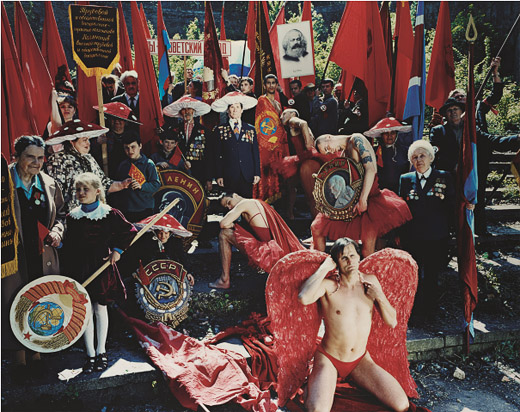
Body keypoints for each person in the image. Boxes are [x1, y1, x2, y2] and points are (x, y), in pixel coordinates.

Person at [298, 238, 410, 412]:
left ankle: (344, 380)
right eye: (344, 258)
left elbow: (392, 321)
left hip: (360, 360)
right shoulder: (330, 286)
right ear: (336, 263)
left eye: (352, 255)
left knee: (402, 405)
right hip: (329, 358)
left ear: (359, 257)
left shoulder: (370, 282)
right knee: (317, 410)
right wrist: (324, 268)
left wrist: (379, 296)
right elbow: (303, 297)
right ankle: (314, 384)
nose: (350, 261)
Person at [2, 136, 65, 383]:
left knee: (40, 300)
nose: (37, 163)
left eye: (40, 158)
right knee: (13, 301)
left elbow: (61, 215)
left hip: (42, 255)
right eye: (30, 157)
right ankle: (18, 359)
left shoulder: (49, 183)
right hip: (13, 256)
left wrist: (58, 231)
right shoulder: (3, 182)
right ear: (16, 156)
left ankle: (37, 353)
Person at [64, 172, 136, 373]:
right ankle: (90, 354)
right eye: (78, 189)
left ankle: (101, 351)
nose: (81, 193)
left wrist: (117, 251)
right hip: (80, 268)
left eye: (85, 189)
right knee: (85, 309)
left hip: (101, 267)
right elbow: (70, 245)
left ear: (97, 191)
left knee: (99, 307)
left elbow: (129, 231)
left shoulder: (109, 213)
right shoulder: (73, 216)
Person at [312, 134, 412, 256]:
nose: (330, 151)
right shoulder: (344, 154)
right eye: (327, 152)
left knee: (367, 250)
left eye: (327, 148)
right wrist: (331, 208)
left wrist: (363, 199)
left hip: (370, 201)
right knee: (317, 227)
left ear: (328, 137)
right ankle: (319, 263)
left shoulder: (356, 139)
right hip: (353, 203)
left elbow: (371, 169)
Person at [399, 141, 455, 318]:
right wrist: (401, 235)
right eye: (414, 157)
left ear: (431, 157)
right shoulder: (405, 179)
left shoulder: (444, 177)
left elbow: (451, 206)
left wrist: (450, 232)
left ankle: (430, 310)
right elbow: (401, 209)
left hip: (436, 236)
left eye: (422, 155)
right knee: (413, 274)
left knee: (432, 274)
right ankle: (413, 310)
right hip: (413, 237)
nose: (419, 160)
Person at [209, 192, 304, 289]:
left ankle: (224, 280)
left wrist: (232, 225)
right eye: (227, 207)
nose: (229, 207)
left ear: (235, 195)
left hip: (269, 255)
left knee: (224, 234)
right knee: (232, 232)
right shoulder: (256, 202)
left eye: (229, 202)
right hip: (274, 251)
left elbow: (223, 223)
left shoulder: (244, 203)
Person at [45, 120, 132, 213]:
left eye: (88, 139)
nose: (88, 143)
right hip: (72, 214)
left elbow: (103, 184)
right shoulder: (58, 159)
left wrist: (122, 184)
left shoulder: (89, 158)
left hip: (95, 212)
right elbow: (55, 193)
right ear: (72, 142)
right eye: (84, 140)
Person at [430, 97, 519, 177]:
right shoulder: (438, 131)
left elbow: (491, 141)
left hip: (470, 176)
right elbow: (435, 154)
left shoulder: (471, 130)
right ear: (445, 114)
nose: (453, 112)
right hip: (447, 176)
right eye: (449, 110)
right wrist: (453, 166)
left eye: (455, 109)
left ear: (461, 111)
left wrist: (516, 138)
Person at [211, 91, 260, 198]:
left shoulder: (250, 129)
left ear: (242, 110)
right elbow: (217, 155)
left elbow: (255, 153)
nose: (235, 110)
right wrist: (219, 175)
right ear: (228, 110)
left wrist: (257, 173)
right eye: (232, 107)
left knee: (246, 203)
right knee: (230, 203)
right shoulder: (220, 129)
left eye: (237, 107)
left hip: (247, 173)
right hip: (228, 174)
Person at [253, 74, 289, 203]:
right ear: (264, 85)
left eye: (273, 83)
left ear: (277, 85)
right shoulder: (262, 100)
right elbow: (261, 122)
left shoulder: (278, 104)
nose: (271, 85)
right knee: (265, 171)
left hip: (278, 144)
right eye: (268, 83)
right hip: (265, 144)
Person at [162, 96, 212, 189]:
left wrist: (208, 178)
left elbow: (209, 156)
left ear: (194, 111)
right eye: (184, 110)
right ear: (180, 112)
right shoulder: (174, 130)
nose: (187, 112)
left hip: (199, 171)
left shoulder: (205, 131)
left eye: (189, 109)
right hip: (179, 170)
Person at [115, 132, 161, 223]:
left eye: (133, 147)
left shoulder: (148, 164)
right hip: (126, 208)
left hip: (144, 208)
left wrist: (142, 186)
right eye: (126, 148)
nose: (130, 151)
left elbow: (156, 185)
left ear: (140, 146)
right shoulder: (123, 165)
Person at [90, 102, 142, 179]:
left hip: (128, 172)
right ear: (109, 120)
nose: (116, 121)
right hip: (109, 172)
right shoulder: (104, 135)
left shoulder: (132, 135)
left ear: (125, 121)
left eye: (120, 119)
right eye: (113, 119)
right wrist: (98, 142)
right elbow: (93, 153)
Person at [364, 117, 413, 194]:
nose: (389, 136)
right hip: (381, 192)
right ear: (381, 135)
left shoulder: (406, 151)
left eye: (392, 133)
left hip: (401, 191)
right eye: (386, 133)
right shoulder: (374, 152)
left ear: (396, 134)